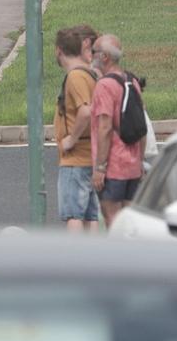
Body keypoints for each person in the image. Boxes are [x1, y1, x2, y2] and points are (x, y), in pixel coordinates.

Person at [88, 34, 147, 226]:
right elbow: (142, 126)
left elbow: (104, 128)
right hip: (132, 167)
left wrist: (100, 168)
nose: (91, 55)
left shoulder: (104, 85)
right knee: (130, 222)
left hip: (113, 168)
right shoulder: (133, 82)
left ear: (104, 57)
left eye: (94, 51)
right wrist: (140, 160)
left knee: (113, 221)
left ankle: (120, 256)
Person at [52, 24, 101, 232]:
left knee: (73, 215)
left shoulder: (76, 77)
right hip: (90, 156)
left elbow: (85, 111)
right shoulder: (92, 74)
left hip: (75, 159)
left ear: (59, 51)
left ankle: (76, 261)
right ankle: (94, 260)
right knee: (91, 216)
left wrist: (70, 139)